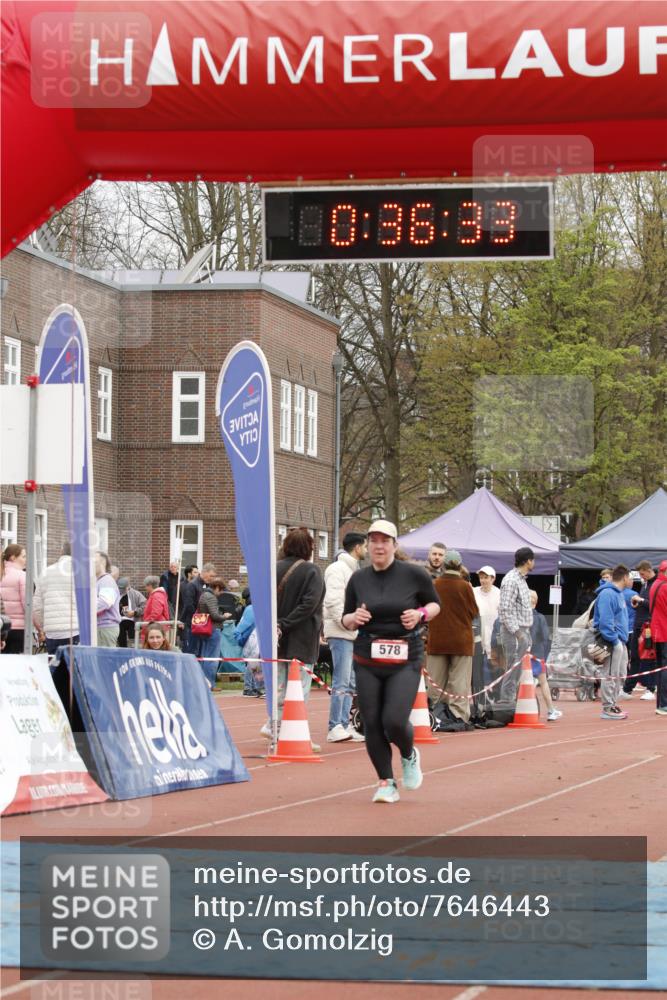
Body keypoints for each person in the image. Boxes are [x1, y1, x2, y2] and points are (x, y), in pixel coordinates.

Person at [342, 519, 440, 804]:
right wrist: (353, 619)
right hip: (367, 657)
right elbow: (345, 618)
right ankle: (386, 781)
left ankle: (409, 754)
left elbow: (435, 604)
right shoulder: (358, 579)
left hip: (404, 657)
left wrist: (420, 614)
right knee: (371, 722)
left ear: (395, 546)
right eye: (374, 541)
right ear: (367, 546)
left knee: (394, 721)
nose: (379, 546)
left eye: (385, 541)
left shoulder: (414, 574)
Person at [266, 528, 325, 748]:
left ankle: (276, 728)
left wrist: (277, 625)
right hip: (302, 638)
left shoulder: (274, 569)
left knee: (280, 686)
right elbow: (310, 605)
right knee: (299, 689)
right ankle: (295, 733)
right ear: (309, 547)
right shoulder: (312, 572)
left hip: (277, 638)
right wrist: (287, 623)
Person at [323, 531, 367, 743]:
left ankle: (343, 722)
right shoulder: (337, 570)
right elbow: (333, 601)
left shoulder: (353, 571)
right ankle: (335, 725)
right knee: (341, 679)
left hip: (351, 632)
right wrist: (345, 622)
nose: (367, 550)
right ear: (357, 547)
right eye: (365, 546)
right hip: (341, 632)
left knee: (349, 680)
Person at [426, 549, 478, 724]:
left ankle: (433, 713)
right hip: (461, 640)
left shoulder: (434, 585)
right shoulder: (465, 586)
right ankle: (458, 715)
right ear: (460, 565)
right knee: (459, 681)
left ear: (444, 564)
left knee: (435, 682)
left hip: (438, 639)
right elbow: (474, 612)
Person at [593, 564, 631, 720]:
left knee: (620, 674)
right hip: (613, 641)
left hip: (619, 640)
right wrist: (614, 641)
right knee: (610, 673)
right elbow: (605, 622)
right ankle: (608, 707)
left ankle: (612, 703)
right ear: (625, 577)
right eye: (630, 578)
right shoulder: (608, 594)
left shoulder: (618, 594)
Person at [497, 547, 535, 704]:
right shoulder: (512, 579)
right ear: (528, 561)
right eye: (533, 560)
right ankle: (507, 701)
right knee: (514, 667)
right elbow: (505, 609)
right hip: (514, 631)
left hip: (521, 630)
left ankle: (511, 699)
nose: (534, 563)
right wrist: (518, 633)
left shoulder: (520, 579)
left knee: (518, 668)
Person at [32, 542, 79, 654]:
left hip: (52, 632)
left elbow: (37, 606)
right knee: (73, 669)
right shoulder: (81, 572)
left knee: (54, 668)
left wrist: (42, 627)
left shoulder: (46, 572)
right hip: (75, 630)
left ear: (61, 552)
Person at [620, 560, 657, 701]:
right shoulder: (645, 584)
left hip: (648, 626)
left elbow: (655, 605)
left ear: (648, 570)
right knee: (634, 657)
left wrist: (640, 600)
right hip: (638, 625)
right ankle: (627, 689)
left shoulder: (656, 585)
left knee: (649, 657)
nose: (641, 577)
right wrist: (637, 604)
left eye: (642, 574)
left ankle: (650, 688)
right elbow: (646, 603)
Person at [529, 590, 561, 721]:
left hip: (526, 656)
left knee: (527, 683)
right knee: (543, 683)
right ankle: (550, 710)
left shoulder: (519, 617)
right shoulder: (540, 617)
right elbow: (546, 637)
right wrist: (544, 655)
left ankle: (547, 710)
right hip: (537, 655)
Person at [195, 577, 227, 685]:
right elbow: (215, 615)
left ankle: (203, 682)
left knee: (205, 657)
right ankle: (210, 683)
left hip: (204, 629)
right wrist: (225, 616)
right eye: (221, 590)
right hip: (213, 629)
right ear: (217, 587)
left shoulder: (203, 595)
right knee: (212, 658)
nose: (221, 593)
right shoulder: (211, 597)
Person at [234, 590, 263, 697]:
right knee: (252, 662)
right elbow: (245, 625)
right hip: (251, 638)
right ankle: (248, 687)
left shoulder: (249, 608)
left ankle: (254, 687)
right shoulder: (251, 609)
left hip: (252, 637)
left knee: (254, 662)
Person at [0, 543, 27, 653]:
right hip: (18, 628)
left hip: (2, 627)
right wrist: (39, 628)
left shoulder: (2, 574)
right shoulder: (22, 576)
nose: (25, 559)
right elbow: (28, 604)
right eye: (23, 556)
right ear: (13, 557)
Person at [649, 561, 667, 717]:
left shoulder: (656, 584)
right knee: (664, 668)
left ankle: (661, 703)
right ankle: (664, 703)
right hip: (664, 630)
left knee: (661, 667)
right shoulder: (665, 586)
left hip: (658, 631)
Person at [473, 565, 501, 662]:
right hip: (477, 635)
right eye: (481, 578)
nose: (483, 580)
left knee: (492, 665)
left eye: (486, 577)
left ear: (493, 578)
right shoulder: (474, 591)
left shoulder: (499, 593)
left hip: (493, 634)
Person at [95, 552, 121, 647]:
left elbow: (105, 602)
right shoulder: (102, 581)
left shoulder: (106, 580)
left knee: (103, 660)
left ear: (102, 563)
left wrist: (85, 611)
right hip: (103, 627)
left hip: (104, 627)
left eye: (93, 561)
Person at [117, 577, 147, 648]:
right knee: (121, 639)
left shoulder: (136, 594)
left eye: (123, 588)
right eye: (119, 588)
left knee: (133, 639)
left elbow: (145, 606)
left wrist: (135, 612)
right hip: (119, 620)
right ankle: (123, 651)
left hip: (133, 620)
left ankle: (133, 652)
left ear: (128, 587)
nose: (121, 590)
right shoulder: (116, 594)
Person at [142, 576, 170, 642]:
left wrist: (146, 623)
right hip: (157, 626)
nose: (145, 588)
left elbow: (156, 612)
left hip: (157, 627)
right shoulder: (157, 594)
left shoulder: (156, 595)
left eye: (146, 586)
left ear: (150, 585)